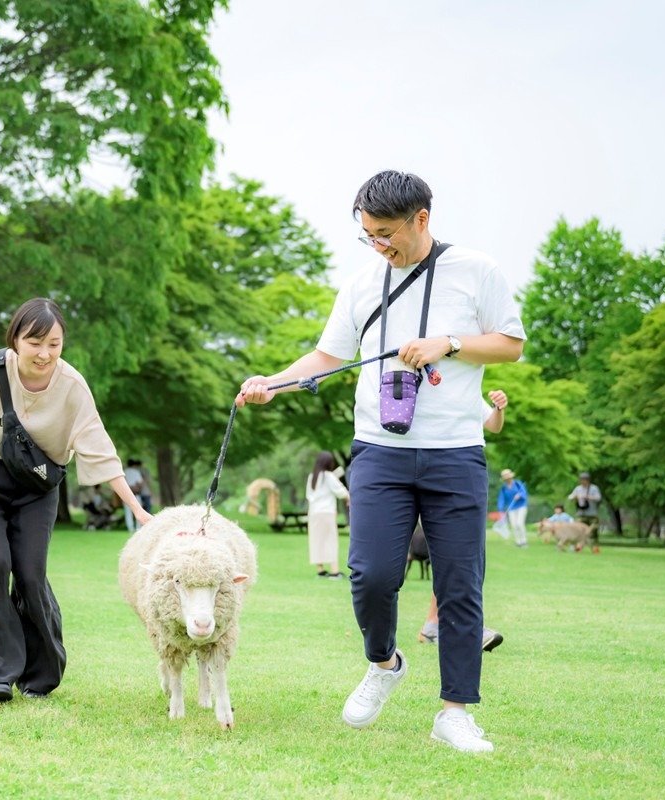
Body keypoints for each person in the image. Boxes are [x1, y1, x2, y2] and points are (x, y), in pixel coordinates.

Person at [236, 170, 525, 752]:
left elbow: (511, 345)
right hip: (379, 452)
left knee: (460, 584)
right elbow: (326, 355)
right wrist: (274, 382)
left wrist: (450, 343)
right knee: (369, 574)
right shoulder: (363, 282)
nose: (378, 245)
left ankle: (455, 712)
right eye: (368, 234)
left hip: (455, 453)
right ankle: (384, 663)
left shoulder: (476, 270)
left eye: (387, 233)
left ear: (422, 219)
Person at [0, 297, 152, 703]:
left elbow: (97, 446)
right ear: (15, 340)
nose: (44, 353)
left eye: (54, 343)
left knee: (31, 574)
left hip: (38, 487)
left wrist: (137, 508)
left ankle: (40, 675)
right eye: (35, 342)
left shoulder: (72, 385)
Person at [418, 389, 510, 650]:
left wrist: (498, 408)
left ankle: (438, 626)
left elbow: (492, 424)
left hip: (457, 479)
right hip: (429, 482)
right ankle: (454, 627)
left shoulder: (462, 384)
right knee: (453, 561)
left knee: (455, 561)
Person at [305, 451, 350, 579]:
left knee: (316, 540)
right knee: (330, 540)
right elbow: (340, 492)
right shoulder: (329, 476)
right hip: (327, 512)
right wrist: (349, 497)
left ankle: (320, 571)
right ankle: (334, 572)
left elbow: (309, 496)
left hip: (314, 513)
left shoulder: (311, 477)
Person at [568, 471, 603, 546]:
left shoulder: (594, 488)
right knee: (578, 530)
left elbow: (598, 498)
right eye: (581, 480)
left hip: (592, 513)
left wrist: (589, 497)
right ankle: (578, 546)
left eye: (584, 479)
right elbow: (570, 497)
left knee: (593, 531)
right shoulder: (578, 489)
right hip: (581, 513)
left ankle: (594, 546)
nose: (583, 481)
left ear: (588, 480)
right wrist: (575, 497)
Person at [497, 468, 529, 547]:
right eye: (505, 478)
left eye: (508, 477)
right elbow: (501, 499)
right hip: (511, 508)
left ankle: (524, 541)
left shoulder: (518, 484)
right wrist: (500, 510)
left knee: (519, 523)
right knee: (514, 525)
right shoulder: (504, 488)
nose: (507, 479)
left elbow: (524, 493)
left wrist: (519, 495)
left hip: (521, 506)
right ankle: (518, 542)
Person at [123, 459, 146, 532]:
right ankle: (138, 528)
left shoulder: (124, 472)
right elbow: (141, 483)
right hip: (136, 494)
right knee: (138, 510)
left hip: (125, 494)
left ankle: (130, 528)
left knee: (128, 512)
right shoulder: (136, 472)